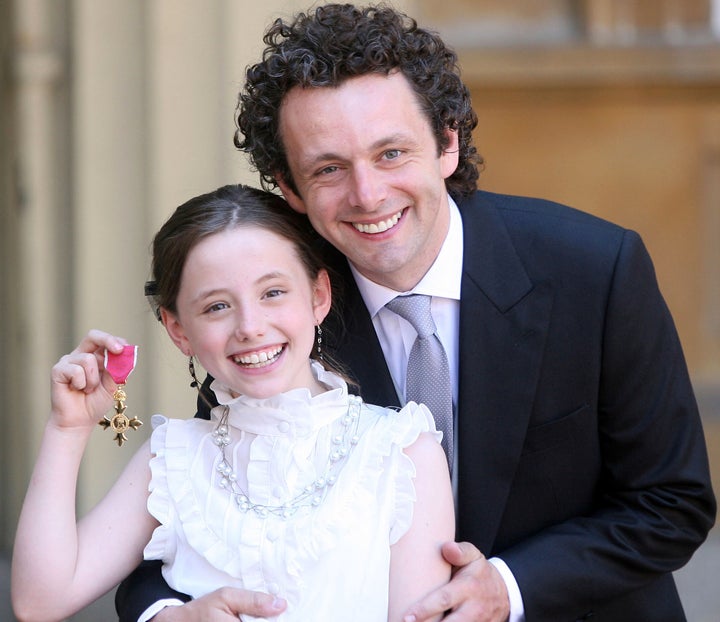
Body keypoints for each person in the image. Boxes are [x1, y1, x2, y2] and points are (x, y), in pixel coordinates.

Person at [116, 4, 717, 622]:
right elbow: (180, 521)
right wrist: (164, 614)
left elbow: (671, 503)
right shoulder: (280, 311)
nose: (368, 194)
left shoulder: (595, 268)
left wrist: (508, 588)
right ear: (289, 190)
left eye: (391, 153)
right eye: (328, 168)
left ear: (447, 143)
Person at [11, 184, 454, 622]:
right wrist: (67, 430)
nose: (250, 326)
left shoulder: (403, 450)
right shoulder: (172, 460)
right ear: (178, 329)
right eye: (217, 306)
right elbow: (40, 602)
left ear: (318, 296)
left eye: (273, 293)